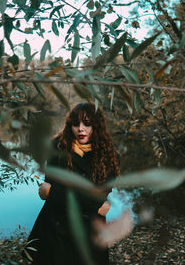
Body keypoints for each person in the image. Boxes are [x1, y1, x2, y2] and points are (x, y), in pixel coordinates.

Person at [26, 102, 120, 265]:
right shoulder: (57, 148)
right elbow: (92, 201)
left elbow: (96, 198)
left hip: (88, 230)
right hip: (55, 229)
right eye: (76, 124)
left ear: (97, 126)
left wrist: (51, 192)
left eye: (87, 124)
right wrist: (92, 202)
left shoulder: (110, 157)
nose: (80, 129)